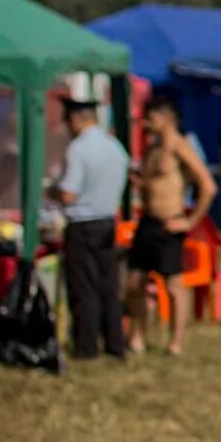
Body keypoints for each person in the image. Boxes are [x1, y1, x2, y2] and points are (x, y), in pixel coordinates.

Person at [131, 94, 215, 358]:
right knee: (134, 282)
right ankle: (137, 336)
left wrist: (190, 220)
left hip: (170, 223)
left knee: (174, 285)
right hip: (147, 221)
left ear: (166, 119)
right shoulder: (152, 148)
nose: (145, 123)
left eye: (150, 118)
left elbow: (208, 186)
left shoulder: (180, 146)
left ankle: (176, 342)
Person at [51, 98, 130, 362]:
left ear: (75, 120)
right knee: (108, 285)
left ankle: (87, 347)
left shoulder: (78, 149)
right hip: (108, 221)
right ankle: (115, 343)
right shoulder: (114, 146)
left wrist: (52, 190)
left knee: (84, 287)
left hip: (83, 223)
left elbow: (69, 194)